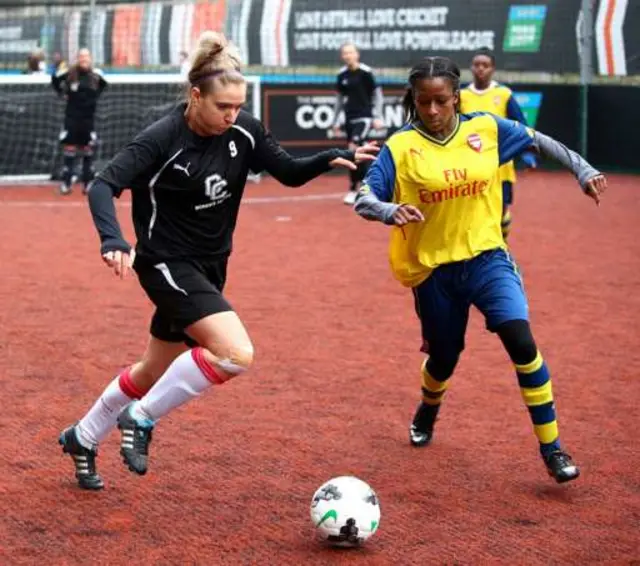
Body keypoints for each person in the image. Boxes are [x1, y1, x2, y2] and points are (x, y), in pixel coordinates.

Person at [58, 31, 377, 490]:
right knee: (234, 353)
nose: (232, 115)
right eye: (222, 106)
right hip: (166, 263)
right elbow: (103, 185)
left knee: (153, 370)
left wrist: (333, 157)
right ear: (194, 95)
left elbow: (285, 171)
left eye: (236, 106)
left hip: (210, 265)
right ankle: (141, 419)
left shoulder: (242, 128)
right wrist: (114, 240)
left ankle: (82, 437)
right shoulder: (162, 138)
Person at [354, 56, 607, 484]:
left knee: (520, 339)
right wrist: (388, 209)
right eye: (423, 102)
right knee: (444, 356)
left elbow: (540, 140)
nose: (432, 111)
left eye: (440, 101)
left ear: (455, 97)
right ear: (413, 101)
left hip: (487, 256)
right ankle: (428, 409)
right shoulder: (401, 146)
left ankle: (553, 448)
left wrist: (583, 169)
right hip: (433, 271)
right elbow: (364, 197)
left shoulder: (486, 129)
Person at [460, 48, 537, 239]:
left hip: (500, 164)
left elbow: (521, 127)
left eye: (485, 65)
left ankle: (502, 245)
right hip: (469, 164)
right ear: (471, 67)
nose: (480, 69)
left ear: (492, 69)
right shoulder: (461, 95)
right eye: (477, 65)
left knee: (500, 210)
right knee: (471, 210)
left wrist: (528, 155)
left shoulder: (503, 94)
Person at [331, 42, 384, 205]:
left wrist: (377, 116)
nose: (348, 56)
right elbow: (339, 100)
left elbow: (377, 95)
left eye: (351, 52)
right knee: (358, 154)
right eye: (345, 53)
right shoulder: (342, 75)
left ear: (357, 54)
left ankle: (354, 189)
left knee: (354, 149)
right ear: (342, 56)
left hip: (364, 118)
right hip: (349, 119)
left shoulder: (366, 73)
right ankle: (365, 188)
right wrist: (335, 121)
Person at [51, 48, 107, 196]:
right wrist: (62, 93)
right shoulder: (70, 74)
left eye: (86, 56)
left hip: (88, 119)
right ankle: (66, 183)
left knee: (88, 151)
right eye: (81, 56)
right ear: (77, 58)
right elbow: (55, 79)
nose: (83, 59)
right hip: (71, 118)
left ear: (90, 58)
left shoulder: (96, 75)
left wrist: (94, 97)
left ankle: (87, 184)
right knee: (69, 150)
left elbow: (103, 85)